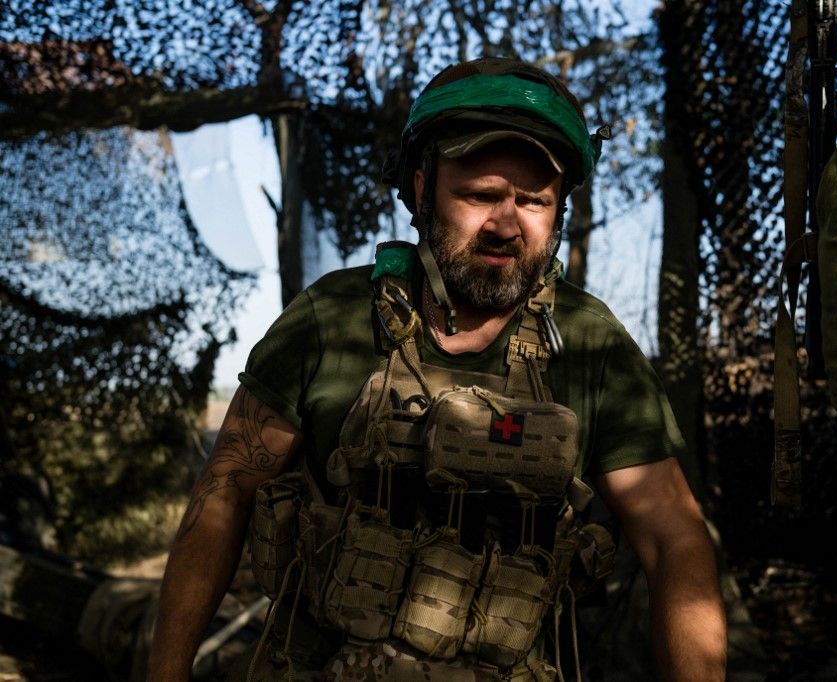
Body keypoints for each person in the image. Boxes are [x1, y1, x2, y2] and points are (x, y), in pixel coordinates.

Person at [148, 58, 725, 682]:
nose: (507, 225)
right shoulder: (334, 318)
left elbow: (675, 542)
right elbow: (224, 494)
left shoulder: (589, 345)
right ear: (422, 189)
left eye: (534, 201)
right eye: (480, 195)